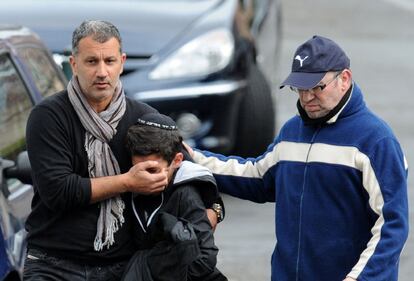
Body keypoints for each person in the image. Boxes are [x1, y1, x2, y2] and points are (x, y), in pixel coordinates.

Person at [186, 35, 409, 281]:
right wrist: (190, 157)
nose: (307, 97)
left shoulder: (376, 141)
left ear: (344, 79)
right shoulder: (292, 132)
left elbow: (391, 225)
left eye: (317, 87)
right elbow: (256, 176)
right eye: (300, 88)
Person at [24, 20, 221, 280]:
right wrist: (128, 182)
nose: (102, 72)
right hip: (53, 265)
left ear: (122, 62)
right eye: (92, 61)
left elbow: (186, 167)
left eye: (110, 61)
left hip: (121, 267)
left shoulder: (144, 119)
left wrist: (214, 207)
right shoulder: (48, 116)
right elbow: (59, 191)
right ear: (74, 64)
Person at [121, 112, 226, 281]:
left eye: (153, 170)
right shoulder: (130, 186)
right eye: (136, 169)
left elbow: (205, 260)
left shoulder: (185, 194)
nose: (143, 178)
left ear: (177, 161)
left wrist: (146, 265)